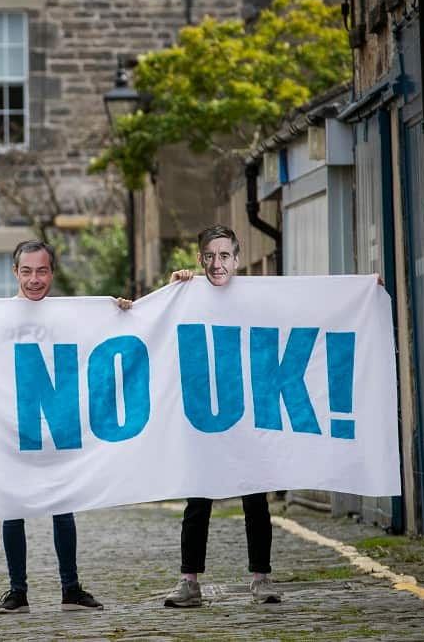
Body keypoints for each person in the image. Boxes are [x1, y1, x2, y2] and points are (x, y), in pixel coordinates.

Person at [0, 239, 132, 614]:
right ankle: (17, 591)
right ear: (15, 273)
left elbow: (99, 338)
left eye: (42, 271)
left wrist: (121, 314)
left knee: (63, 506)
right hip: (10, 427)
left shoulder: (70, 314)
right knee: (12, 507)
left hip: (55, 425)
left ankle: (70, 587)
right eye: (27, 271)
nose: (35, 279)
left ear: (52, 272)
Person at [162, 224, 281, 608]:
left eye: (225, 255)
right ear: (199, 259)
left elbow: (303, 312)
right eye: (209, 256)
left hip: (247, 414)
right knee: (198, 500)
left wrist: (360, 292)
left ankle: (261, 580)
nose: (217, 264)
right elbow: (156, 321)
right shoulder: (187, 293)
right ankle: (188, 582)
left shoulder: (256, 297)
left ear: (237, 258)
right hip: (203, 417)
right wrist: (174, 284)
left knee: (255, 500)